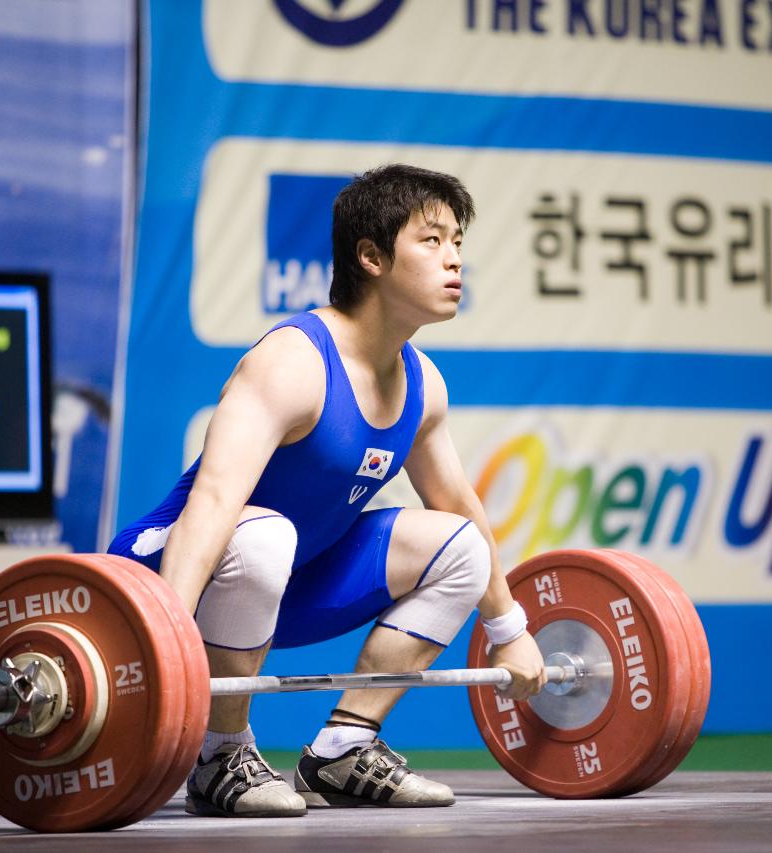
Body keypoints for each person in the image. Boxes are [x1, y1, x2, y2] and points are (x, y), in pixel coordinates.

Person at [108, 164, 546, 818]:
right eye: (431, 241)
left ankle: (345, 745)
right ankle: (220, 753)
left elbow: (457, 504)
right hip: (168, 573)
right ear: (370, 257)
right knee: (264, 535)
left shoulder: (422, 384)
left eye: (458, 241)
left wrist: (509, 628)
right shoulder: (291, 362)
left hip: (288, 582)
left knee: (461, 546)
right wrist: (164, 631)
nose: (454, 259)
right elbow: (213, 503)